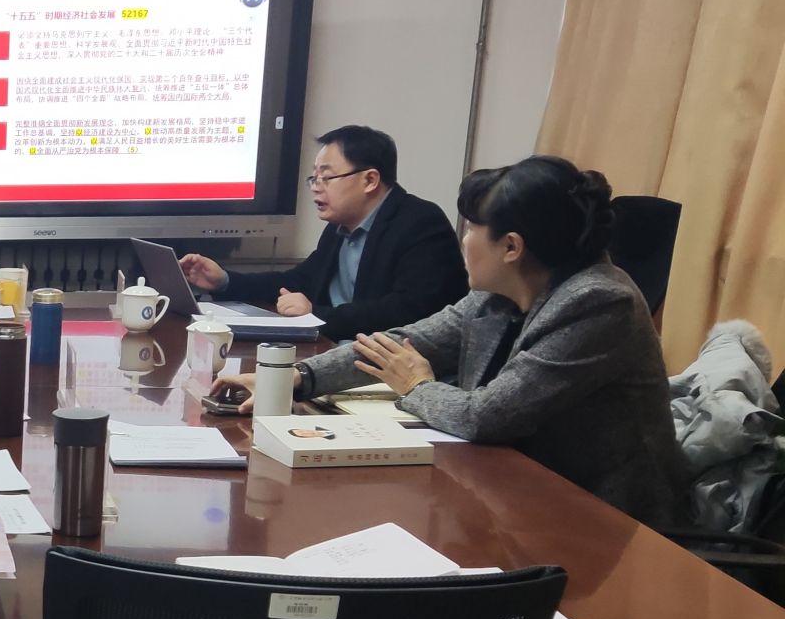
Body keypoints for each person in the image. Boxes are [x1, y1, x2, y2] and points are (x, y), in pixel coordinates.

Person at [218, 157, 685, 528]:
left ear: (511, 247)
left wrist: (416, 386)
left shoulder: (597, 302)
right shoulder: (497, 294)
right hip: (510, 490)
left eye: (474, 229)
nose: (464, 240)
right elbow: (405, 342)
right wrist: (297, 378)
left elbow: (486, 416)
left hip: (603, 520)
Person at [179, 125, 466, 340]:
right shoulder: (339, 228)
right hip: (336, 353)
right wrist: (225, 280)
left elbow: (410, 310)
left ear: (370, 180)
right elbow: (298, 281)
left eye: (326, 177)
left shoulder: (420, 223)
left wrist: (315, 315)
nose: (316, 187)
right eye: (313, 178)